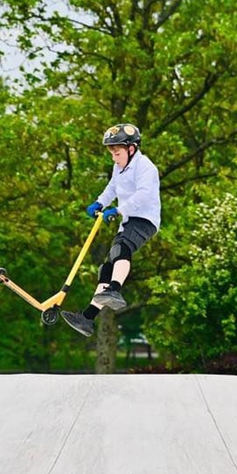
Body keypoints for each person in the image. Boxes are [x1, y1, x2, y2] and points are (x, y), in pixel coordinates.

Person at [61, 123, 161, 337]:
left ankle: (115, 289)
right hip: (129, 220)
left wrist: (118, 209)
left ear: (131, 149)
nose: (114, 158)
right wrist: (99, 203)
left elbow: (144, 195)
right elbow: (112, 188)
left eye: (117, 153)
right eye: (112, 154)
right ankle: (87, 318)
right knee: (106, 268)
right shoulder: (119, 168)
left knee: (121, 249)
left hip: (144, 219)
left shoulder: (146, 167)